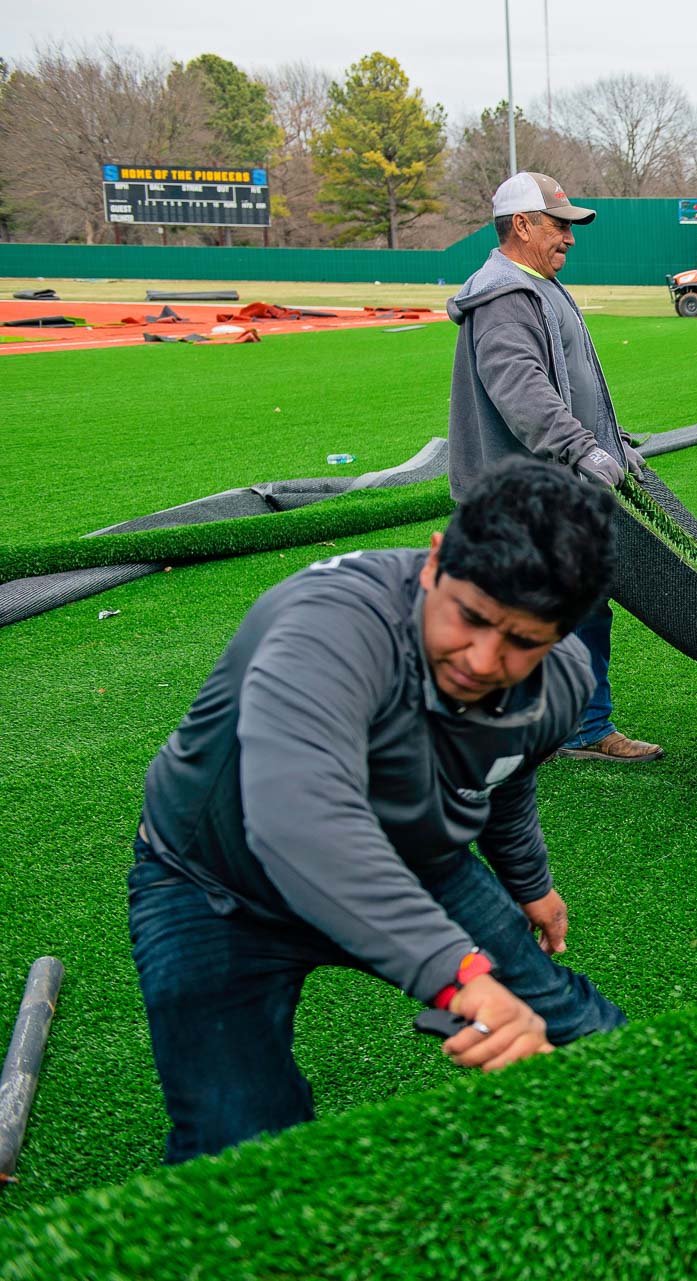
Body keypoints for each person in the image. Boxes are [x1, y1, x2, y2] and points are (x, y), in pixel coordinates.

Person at [129, 461, 629, 1162]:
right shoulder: (328, 623)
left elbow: (507, 767)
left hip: (419, 863)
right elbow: (301, 822)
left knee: (587, 1034)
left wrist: (529, 880)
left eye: (522, 641)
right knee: (236, 1143)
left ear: (563, 635)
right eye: (472, 618)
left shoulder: (563, 678)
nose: (485, 659)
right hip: (215, 885)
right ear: (433, 563)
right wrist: (458, 974)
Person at [447, 170, 663, 764]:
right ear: (522, 224)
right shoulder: (507, 296)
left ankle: (553, 722)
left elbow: (568, 384)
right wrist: (579, 449)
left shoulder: (534, 285)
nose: (570, 238)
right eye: (559, 225)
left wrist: (613, 444)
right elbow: (522, 390)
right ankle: (578, 728)